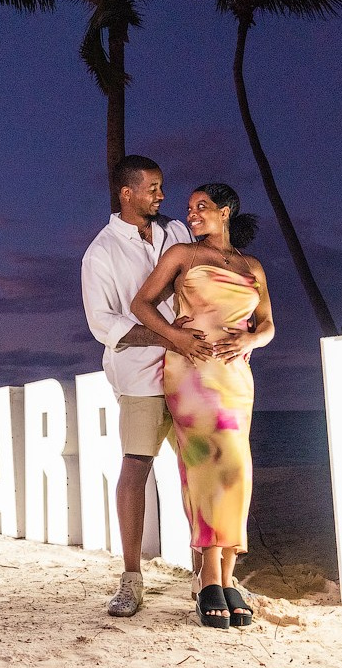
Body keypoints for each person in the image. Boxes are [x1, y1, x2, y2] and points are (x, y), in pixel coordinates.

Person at [130, 183, 273, 628]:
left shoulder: (252, 267)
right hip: (192, 373)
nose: (191, 215)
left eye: (202, 207)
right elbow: (141, 304)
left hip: (235, 379)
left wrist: (250, 337)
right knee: (206, 466)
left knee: (236, 469)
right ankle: (210, 575)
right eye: (189, 208)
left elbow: (267, 324)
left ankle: (227, 577)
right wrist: (174, 335)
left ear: (226, 211)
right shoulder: (182, 256)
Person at [81, 154, 196, 618]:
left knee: (198, 470)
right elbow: (102, 322)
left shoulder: (176, 233)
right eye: (152, 188)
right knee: (136, 467)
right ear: (126, 194)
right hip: (140, 373)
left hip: (190, 371)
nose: (161, 196)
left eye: (161, 187)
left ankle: (205, 575)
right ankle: (131, 579)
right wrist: (169, 336)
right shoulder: (101, 252)